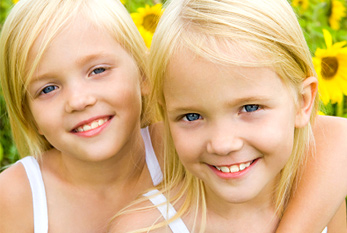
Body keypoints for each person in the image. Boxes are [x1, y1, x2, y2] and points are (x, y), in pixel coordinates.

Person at [109, 0, 347, 232]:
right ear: (165, 114)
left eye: (250, 108)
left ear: (303, 102)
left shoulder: (323, 199)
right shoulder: (146, 227)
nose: (222, 144)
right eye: (192, 116)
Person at [0, 0, 164, 232]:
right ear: (28, 115)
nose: (78, 101)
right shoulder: (16, 196)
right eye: (48, 89)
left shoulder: (178, 155)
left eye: (98, 70)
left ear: (143, 74)